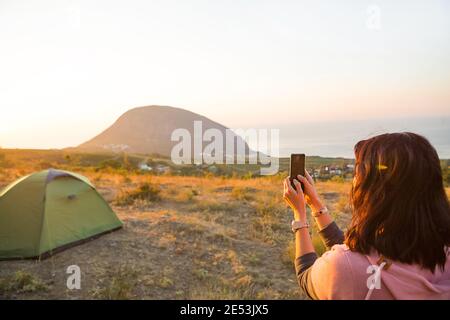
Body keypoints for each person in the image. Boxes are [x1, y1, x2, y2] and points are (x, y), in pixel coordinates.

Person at [283, 132, 450, 299]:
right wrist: (315, 204)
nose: (354, 181)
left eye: (358, 174)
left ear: (375, 192)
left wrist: (300, 216)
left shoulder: (344, 269)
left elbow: (306, 275)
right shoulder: (441, 252)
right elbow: (362, 257)